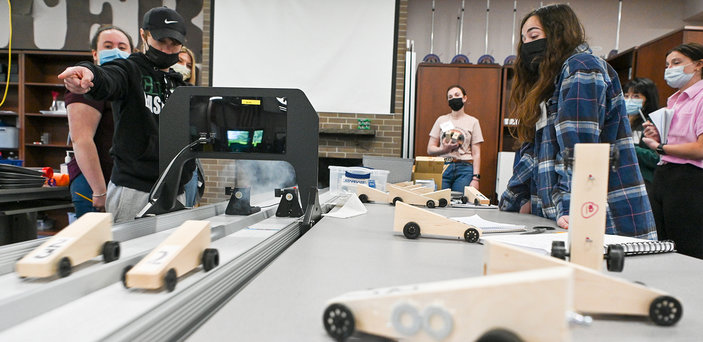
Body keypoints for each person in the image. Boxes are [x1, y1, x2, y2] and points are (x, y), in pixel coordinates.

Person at [499, 4, 656, 239]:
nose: (527, 45)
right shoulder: (550, 83)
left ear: (559, 32)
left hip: (598, 216)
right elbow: (534, 152)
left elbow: (580, 149)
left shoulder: (581, 67)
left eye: (534, 36)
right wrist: (516, 198)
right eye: (523, 39)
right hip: (560, 214)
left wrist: (573, 207)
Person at [58, 7, 195, 223]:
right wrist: (88, 73)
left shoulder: (178, 84)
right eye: (161, 42)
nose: (168, 50)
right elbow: (109, 75)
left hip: (174, 189)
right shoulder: (131, 70)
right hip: (134, 190)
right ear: (144, 36)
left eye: (174, 44)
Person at [642, 42, 703, 258]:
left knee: (687, 246)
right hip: (665, 175)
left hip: (689, 179)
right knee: (662, 243)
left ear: (698, 65)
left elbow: (700, 148)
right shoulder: (674, 100)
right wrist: (657, 136)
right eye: (667, 65)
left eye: (676, 63)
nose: (670, 69)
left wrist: (661, 147)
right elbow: (676, 141)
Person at [66, 25, 133, 217]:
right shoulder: (88, 85)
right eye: (108, 45)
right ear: (95, 53)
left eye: (122, 47)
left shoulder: (126, 86)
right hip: (95, 182)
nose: (115, 51)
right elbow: (82, 140)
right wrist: (99, 191)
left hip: (121, 181)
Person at [426, 85, 483, 192]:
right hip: (443, 167)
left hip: (464, 169)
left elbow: (476, 153)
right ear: (447, 101)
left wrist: (476, 178)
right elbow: (430, 149)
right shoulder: (441, 120)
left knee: (459, 203)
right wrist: (444, 149)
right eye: (450, 97)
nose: (454, 98)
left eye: (457, 95)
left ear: (465, 98)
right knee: (440, 200)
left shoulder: (473, 122)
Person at [172, 46, 203, 207]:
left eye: (189, 65)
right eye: (179, 61)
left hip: (189, 165)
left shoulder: (195, 98)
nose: (184, 67)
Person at [623, 78, 660, 198]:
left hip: (644, 183)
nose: (629, 100)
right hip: (622, 179)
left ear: (648, 100)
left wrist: (629, 148)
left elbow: (656, 158)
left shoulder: (652, 125)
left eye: (636, 96)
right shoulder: (620, 122)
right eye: (626, 95)